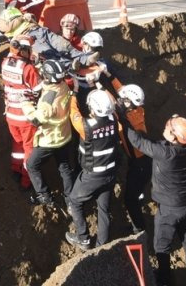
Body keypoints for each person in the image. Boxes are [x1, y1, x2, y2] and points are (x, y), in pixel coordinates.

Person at [126, 115, 186, 286]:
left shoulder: (166, 153)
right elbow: (157, 143)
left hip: (169, 210)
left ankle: (163, 280)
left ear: (175, 137)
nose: (165, 127)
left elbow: (137, 142)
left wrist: (124, 119)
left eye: (169, 128)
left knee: (161, 247)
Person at [66, 88, 122, 251]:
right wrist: (102, 88)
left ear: (92, 108)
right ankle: (102, 245)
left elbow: (73, 113)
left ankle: (83, 239)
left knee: (75, 201)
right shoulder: (114, 119)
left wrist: (74, 93)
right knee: (103, 209)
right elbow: (112, 105)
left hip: (92, 176)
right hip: (110, 174)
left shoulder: (86, 126)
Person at [23, 59, 76, 209]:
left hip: (50, 140)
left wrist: (25, 103)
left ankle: (44, 196)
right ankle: (70, 200)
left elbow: (36, 120)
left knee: (32, 165)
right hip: (65, 136)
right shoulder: (63, 86)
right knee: (64, 167)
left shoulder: (48, 98)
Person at [1, 34, 42, 189]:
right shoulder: (28, 68)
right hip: (26, 117)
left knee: (17, 144)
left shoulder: (5, 62)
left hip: (10, 113)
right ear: (24, 50)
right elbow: (38, 90)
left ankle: (16, 168)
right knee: (29, 148)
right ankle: (27, 179)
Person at [0, 7, 93, 68]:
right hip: (34, 34)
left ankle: (78, 61)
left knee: (57, 49)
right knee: (55, 49)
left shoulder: (5, 18)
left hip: (34, 34)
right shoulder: (10, 15)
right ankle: (77, 62)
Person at [112, 82, 150, 233]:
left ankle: (139, 229)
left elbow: (115, 112)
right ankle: (139, 197)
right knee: (135, 189)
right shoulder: (138, 110)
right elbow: (122, 91)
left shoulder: (127, 120)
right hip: (143, 161)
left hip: (140, 164)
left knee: (129, 200)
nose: (120, 100)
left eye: (124, 99)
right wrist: (108, 75)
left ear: (129, 102)